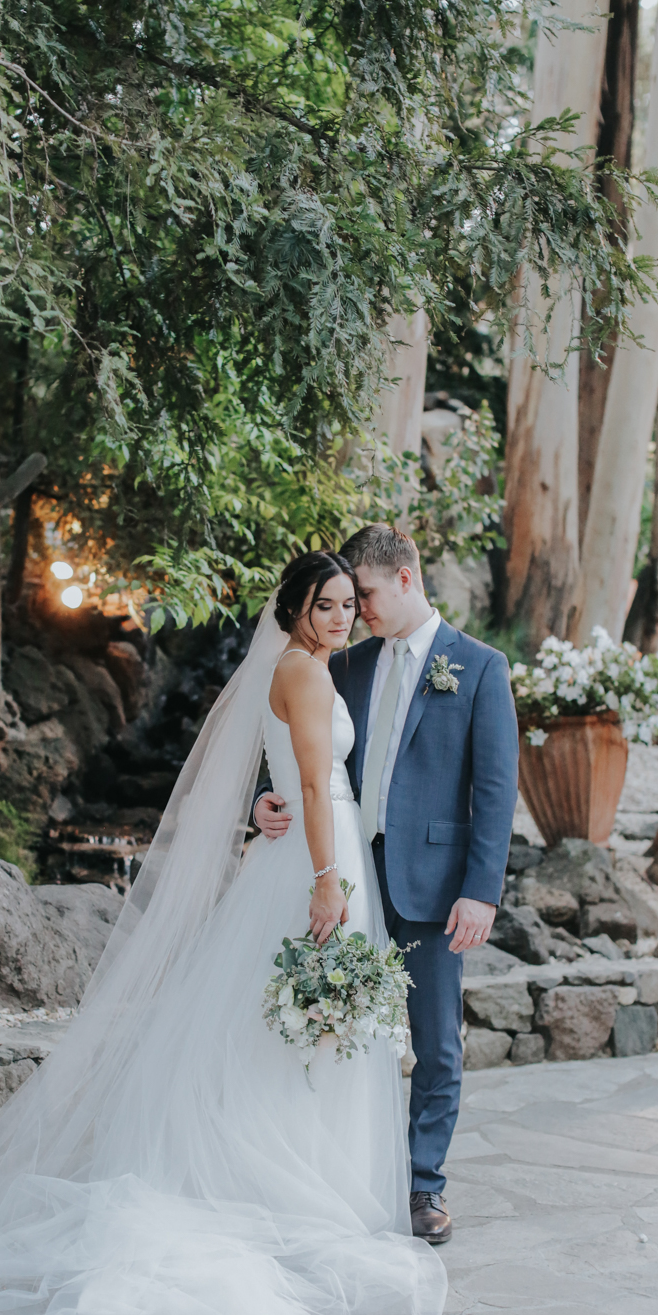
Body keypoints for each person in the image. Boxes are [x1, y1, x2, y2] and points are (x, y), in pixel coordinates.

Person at [0, 551, 446, 1315]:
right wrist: (327, 881)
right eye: (327, 605)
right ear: (296, 610)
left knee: (284, 1027)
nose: (342, 618)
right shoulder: (305, 673)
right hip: (319, 861)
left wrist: (277, 823)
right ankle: (295, 1189)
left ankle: (305, 1178)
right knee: (299, 1028)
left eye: (348, 604)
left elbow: (292, 774)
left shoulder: (298, 668)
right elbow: (311, 786)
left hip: (310, 855)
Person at [256, 525, 518, 1246]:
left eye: (364, 594)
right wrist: (263, 801)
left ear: (405, 578)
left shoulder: (479, 667)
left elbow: (496, 790)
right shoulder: (345, 662)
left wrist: (482, 891)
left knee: (436, 1045)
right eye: (343, 599)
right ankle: (346, 1175)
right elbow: (305, 754)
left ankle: (424, 1186)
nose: (355, 610)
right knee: (340, 1033)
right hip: (351, 877)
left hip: (434, 889)